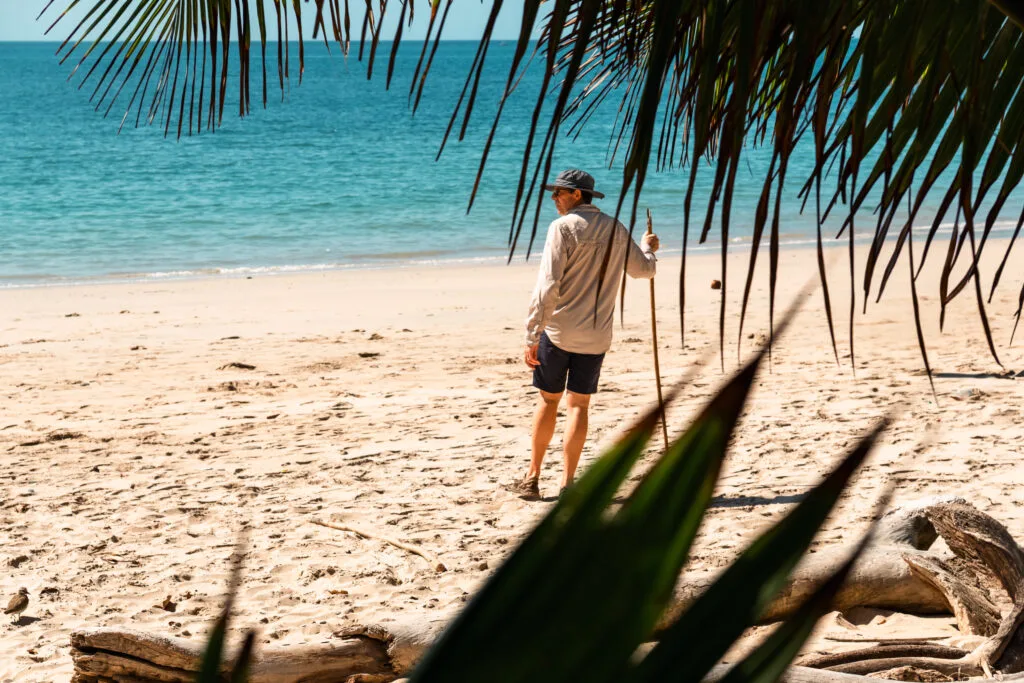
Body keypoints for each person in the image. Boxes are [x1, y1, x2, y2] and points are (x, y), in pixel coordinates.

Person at [508, 168, 659, 501]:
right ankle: (568, 483)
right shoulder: (616, 228)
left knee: (548, 401)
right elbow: (643, 270)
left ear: (577, 195)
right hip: (595, 336)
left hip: (559, 331)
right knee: (579, 406)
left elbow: (548, 285)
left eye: (559, 192)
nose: (554, 198)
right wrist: (648, 249)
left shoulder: (562, 228)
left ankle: (532, 478)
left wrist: (532, 334)